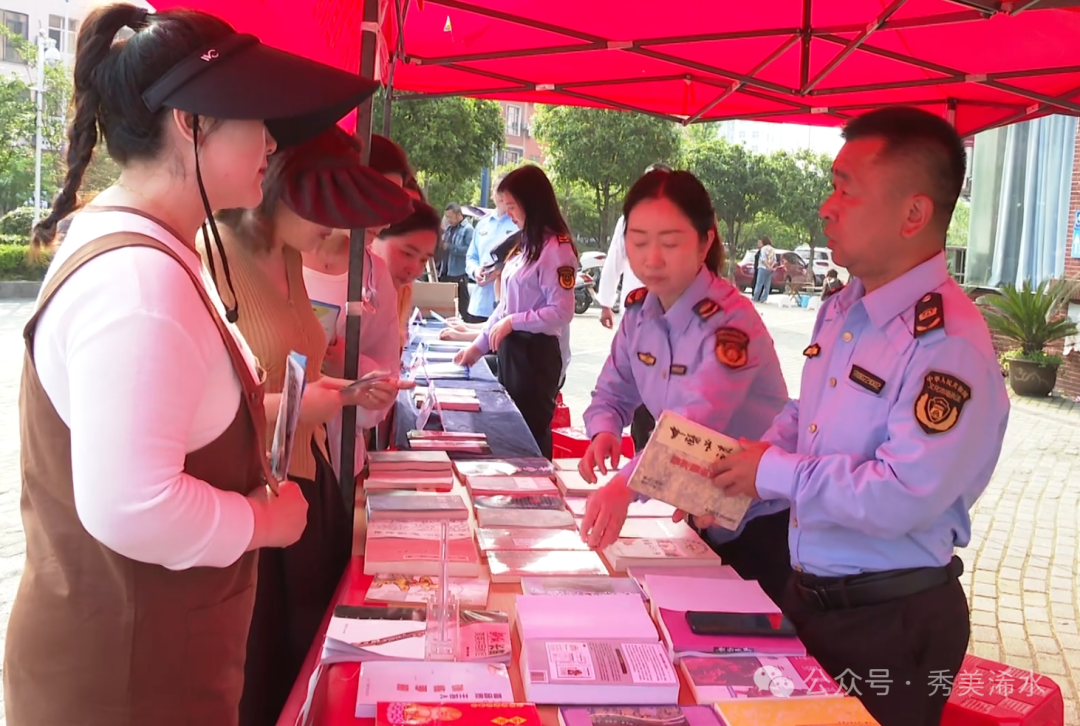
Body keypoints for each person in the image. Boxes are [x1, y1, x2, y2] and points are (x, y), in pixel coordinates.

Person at [6, 4, 377, 725]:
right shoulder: (138, 283)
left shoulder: (152, 252)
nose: (271, 141)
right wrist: (263, 522)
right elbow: (132, 507)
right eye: (256, 119)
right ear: (192, 123)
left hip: (152, 667)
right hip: (125, 688)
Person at [710, 107, 1010, 726]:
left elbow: (899, 495)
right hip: (812, 597)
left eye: (847, 190)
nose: (827, 207)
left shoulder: (947, 345)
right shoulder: (846, 308)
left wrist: (772, 472)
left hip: (888, 623)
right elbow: (808, 418)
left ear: (913, 215)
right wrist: (740, 476)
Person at [209, 125, 413, 726]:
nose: (337, 228)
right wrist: (308, 406)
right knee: (260, 676)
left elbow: (298, 367)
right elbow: (211, 410)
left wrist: (342, 392)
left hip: (308, 482)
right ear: (279, 183)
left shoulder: (290, 257)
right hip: (251, 500)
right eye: (327, 207)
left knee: (306, 667)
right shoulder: (212, 254)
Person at [576, 169, 792, 604]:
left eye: (670, 243)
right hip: (695, 507)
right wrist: (604, 430)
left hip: (759, 519)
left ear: (705, 242)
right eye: (638, 242)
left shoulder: (731, 324)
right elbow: (613, 390)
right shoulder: (639, 313)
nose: (652, 259)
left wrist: (624, 485)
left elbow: (695, 423)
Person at [453, 166, 577, 457]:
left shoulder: (556, 249)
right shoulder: (526, 245)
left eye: (511, 206)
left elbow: (561, 311)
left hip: (536, 358)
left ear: (531, 203)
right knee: (510, 435)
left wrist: (514, 322)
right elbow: (505, 307)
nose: (508, 214)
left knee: (529, 438)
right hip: (513, 353)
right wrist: (477, 347)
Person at [597, 162, 672, 454]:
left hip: (672, 316)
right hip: (638, 312)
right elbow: (615, 258)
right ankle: (641, 454)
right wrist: (606, 303)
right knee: (637, 381)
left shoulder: (682, 220)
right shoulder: (629, 219)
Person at [466, 185, 518, 322]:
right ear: (492, 194)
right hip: (479, 304)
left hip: (508, 306)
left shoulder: (519, 224)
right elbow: (471, 257)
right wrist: (475, 271)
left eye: (506, 191)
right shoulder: (482, 224)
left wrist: (499, 272)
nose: (502, 195)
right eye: (498, 191)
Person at [752, 236, 777, 303]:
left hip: (762, 267)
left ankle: (755, 297)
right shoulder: (772, 249)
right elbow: (775, 260)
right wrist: (771, 267)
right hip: (770, 269)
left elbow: (763, 259)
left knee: (759, 283)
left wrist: (767, 266)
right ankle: (764, 298)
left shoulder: (763, 249)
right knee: (767, 284)